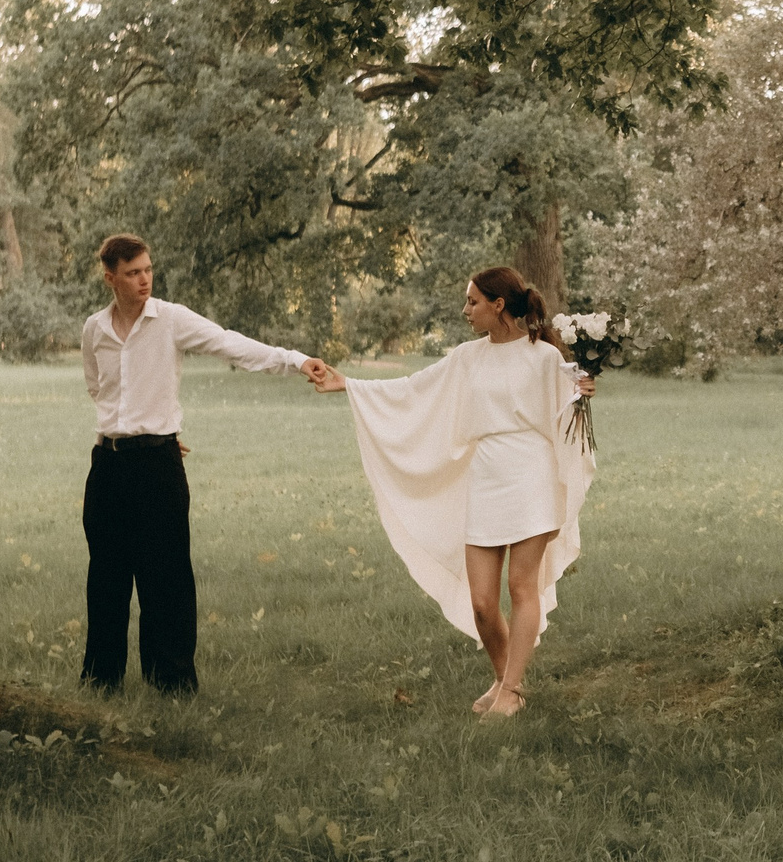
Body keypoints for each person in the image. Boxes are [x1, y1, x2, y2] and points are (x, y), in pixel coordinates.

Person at [308, 266, 596, 717]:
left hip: (531, 476)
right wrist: (349, 384)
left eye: (472, 302)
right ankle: (503, 679)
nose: (465, 310)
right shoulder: (467, 358)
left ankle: (513, 692)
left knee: (522, 588)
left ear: (498, 305)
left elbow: (570, 399)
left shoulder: (543, 357)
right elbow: (413, 389)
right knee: (482, 601)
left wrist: (583, 389)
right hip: (487, 476)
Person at [79, 233, 331, 694]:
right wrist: (134, 426)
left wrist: (295, 361)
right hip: (108, 466)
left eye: (148, 269)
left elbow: (230, 344)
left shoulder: (170, 319)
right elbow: (98, 389)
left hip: (158, 466)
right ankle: (101, 681)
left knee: (167, 577)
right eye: (133, 272)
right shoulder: (95, 329)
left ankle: (172, 682)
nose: (144, 280)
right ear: (110, 277)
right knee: (106, 576)